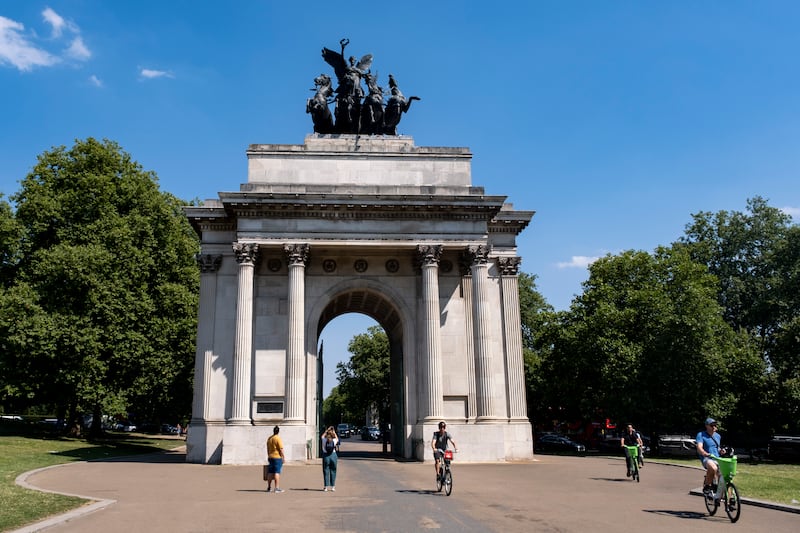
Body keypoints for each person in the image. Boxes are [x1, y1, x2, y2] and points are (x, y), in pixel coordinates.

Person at [696, 417, 728, 495]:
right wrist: (704, 453)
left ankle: (723, 496)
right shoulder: (701, 435)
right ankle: (707, 486)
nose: (714, 427)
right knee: (713, 468)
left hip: (717, 458)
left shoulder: (718, 436)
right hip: (707, 458)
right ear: (707, 426)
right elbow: (699, 447)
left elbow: (717, 447)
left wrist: (721, 451)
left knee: (725, 476)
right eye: (712, 425)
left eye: (715, 425)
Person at [266, 425, 285, 493]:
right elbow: (281, 449)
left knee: (270, 472)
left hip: (270, 457)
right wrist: (283, 457)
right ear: (278, 431)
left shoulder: (269, 438)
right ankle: (276, 488)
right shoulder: (277, 438)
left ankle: (269, 487)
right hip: (277, 457)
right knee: (277, 472)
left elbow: (268, 449)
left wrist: (269, 455)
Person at [321, 426, 339, 492]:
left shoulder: (324, 440)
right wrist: (334, 432)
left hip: (326, 456)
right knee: (333, 470)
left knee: (326, 471)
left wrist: (326, 431)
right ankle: (333, 487)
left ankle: (325, 487)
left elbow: (322, 436)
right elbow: (337, 439)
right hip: (333, 455)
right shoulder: (334, 440)